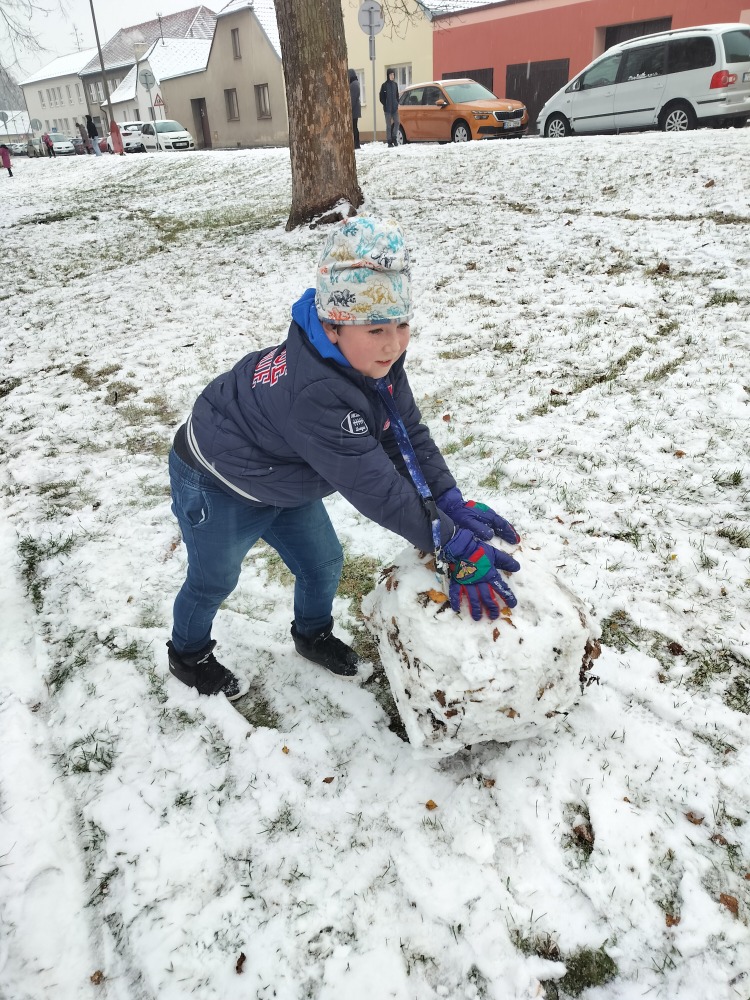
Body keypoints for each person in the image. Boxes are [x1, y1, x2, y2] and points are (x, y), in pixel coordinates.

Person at [166, 216, 521, 700]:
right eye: (376, 329)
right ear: (333, 327)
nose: (393, 344)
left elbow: (404, 433)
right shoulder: (316, 392)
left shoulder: (371, 362)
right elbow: (376, 486)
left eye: (401, 324)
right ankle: (188, 655)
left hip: (281, 473)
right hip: (217, 479)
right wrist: (448, 540)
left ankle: (312, 635)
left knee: (323, 562)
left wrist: (448, 500)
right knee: (214, 580)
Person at [379, 68, 400, 147]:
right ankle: (389, 141)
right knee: (388, 125)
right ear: (388, 75)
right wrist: (385, 104)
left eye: (393, 74)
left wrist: (397, 102)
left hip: (394, 108)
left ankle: (394, 137)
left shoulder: (395, 85)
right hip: (387, 109)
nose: (392, 76)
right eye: (391, 74)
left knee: (397, 122)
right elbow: (381, 97)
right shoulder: (384, 85)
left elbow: (397, 95)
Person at [348, 68, 361, 149]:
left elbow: (353, 98)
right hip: (355, 108)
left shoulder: (353, 84)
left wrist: (349, 109)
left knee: (354, 127)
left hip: (354, 109)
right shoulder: (355, 83)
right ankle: (356, 143)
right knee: (354, 126)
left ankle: (356, 144)